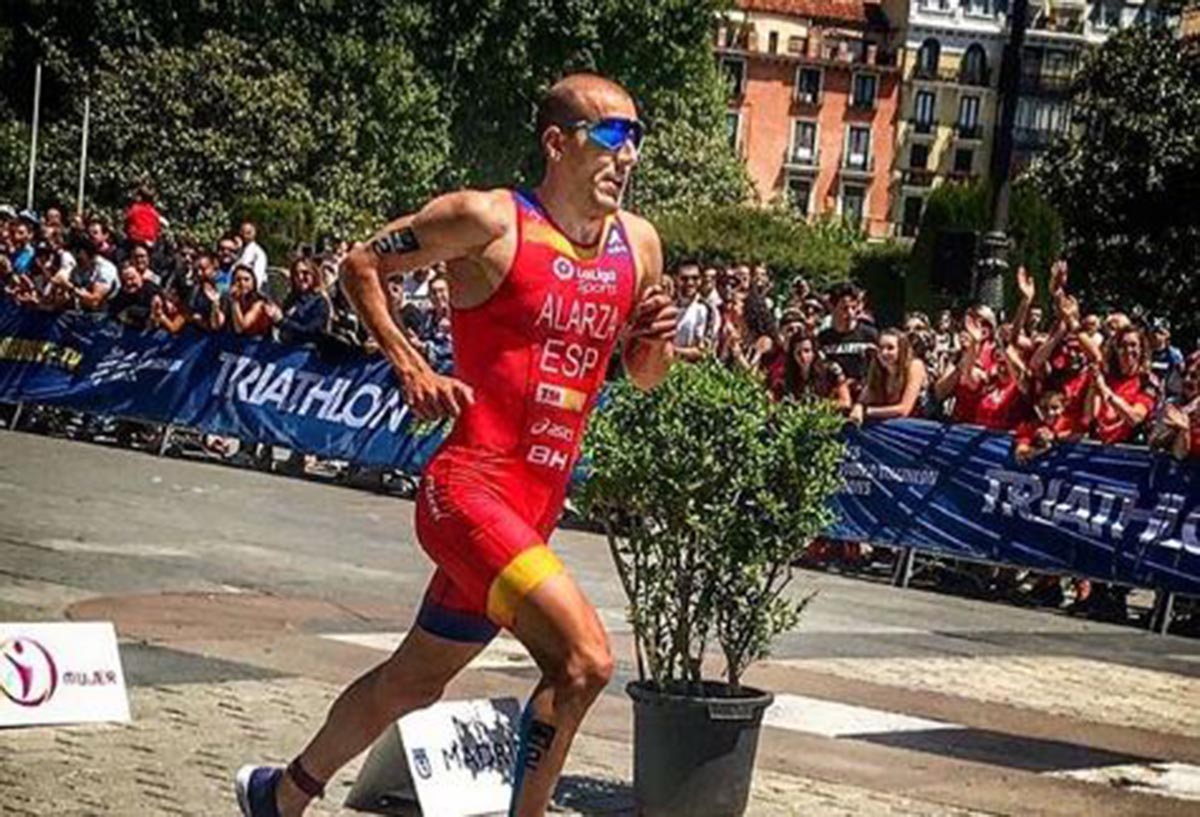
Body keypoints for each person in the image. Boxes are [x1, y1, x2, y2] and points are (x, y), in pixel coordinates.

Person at [234, 73, 676, 817]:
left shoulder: (640, 246)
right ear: (556, 143)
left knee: (412, 681)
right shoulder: (491, 220)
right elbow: (360, 263)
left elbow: (643, 376)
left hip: (533, 510)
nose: (626, 154)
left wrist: (655, 345)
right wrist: (410, 364)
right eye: (609, 135)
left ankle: (278, 794)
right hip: (468, 490)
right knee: (584, 662)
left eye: (635, 136)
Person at [849, 328, 928, 425]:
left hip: (920, 425)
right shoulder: (878, 371)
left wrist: (866, 411)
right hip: (893, 425)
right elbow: (863, 399)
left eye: (890, 348)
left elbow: (904, 410)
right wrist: (858, 407)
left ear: (901, 349)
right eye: (881, 348)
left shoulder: (915, 366)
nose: (884, 353)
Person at [818, 282, 878, 399]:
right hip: (834, 398)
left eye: (854, 307)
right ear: (832, 307)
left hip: (864, 397)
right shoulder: (823, 339)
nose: (850, 313)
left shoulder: (870, 334)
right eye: (844, 308)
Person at [672, 261, 717, 363]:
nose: (690, 283)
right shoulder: (669, 307)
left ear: (701, 280)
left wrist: (672, 351)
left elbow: (703, 351)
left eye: (695, 278)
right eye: (684, 279)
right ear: (676, 279)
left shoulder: (706, 309)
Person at [226, 264, 274, 337]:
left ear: (253, 281)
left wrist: (235, 302)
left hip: (258, 341)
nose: (242, 283)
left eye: (246, 279)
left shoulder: (260, 301)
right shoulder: (231, 298)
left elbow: (241, 327)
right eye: (238, 280)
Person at [237, 221, 269, 290]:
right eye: (243, 232)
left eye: (248, 233)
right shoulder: (238, 250)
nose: (245, 235)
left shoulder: (258, 253)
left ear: (254, 234)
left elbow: (258, 276)